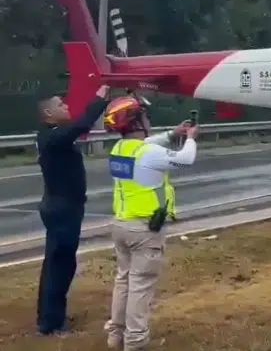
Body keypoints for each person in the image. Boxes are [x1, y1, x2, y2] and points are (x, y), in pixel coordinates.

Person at [101, 94, 199, 350]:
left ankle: (116, 335)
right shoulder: (148, 153)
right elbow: (186, 159)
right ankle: (135, 342)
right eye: (144, 116)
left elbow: (147, 144)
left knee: (123, 281)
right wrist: (189, 138)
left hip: (121, 225)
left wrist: (172, 133)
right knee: (140, 287)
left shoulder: (120, 149)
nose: (147, 119)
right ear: (136, 122)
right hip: (145, 230)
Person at [35, 85, 112, 336]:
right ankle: (52, 323)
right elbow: (81, 125)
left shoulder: (52, 134)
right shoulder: (53, 137)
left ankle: (49, 316)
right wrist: (99, 99)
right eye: (61, 104)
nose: (66, 106)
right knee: (61, 265)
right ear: (48, 113)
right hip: (62, 208)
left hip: (62, 206)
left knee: (57, 263)